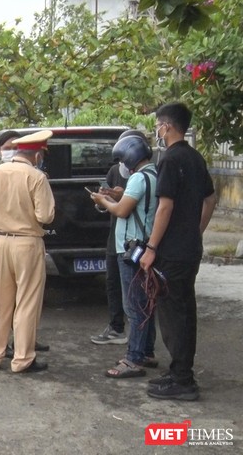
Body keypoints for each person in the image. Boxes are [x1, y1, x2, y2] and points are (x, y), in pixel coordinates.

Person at [139, 102, 217, 401]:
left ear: (167, 126)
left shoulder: (170, 160)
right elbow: (210, 199)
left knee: (174, 315)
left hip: (172, 253)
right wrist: (196, 230)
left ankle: (183, 380)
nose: (157, 130)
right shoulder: (195, 158)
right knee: (184, 311)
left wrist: (151, 247)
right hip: (189, 249)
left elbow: (165, 206)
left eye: (158, 124)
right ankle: (178, 371)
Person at [0, 131, 50, 358]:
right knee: (26, 302)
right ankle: (22, 357)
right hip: (27, 242)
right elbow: (45, 216)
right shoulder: (36, 177)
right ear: (37, 154)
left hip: (0, 240)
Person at [91, 130, 158, 379]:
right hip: (146, 245)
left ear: (130, 156)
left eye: (122, 159)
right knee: (146, 302)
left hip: (131, 248)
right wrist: (118, 195)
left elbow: (121, 211)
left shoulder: (139, 178)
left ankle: (133, 359)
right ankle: (146, 351)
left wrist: (102, 199)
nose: (122, 165)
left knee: (135, 305)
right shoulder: (155, 173)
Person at [90, 163, 129, 345]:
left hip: (133, 241)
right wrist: (106, 198)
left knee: (134, 291)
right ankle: (116, 327)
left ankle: (141, 346)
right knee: (112, 282)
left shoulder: (142, 176)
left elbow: (126, 207)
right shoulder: (114, 170)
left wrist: (118, 198)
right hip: (116, 237)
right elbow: (110, 206)